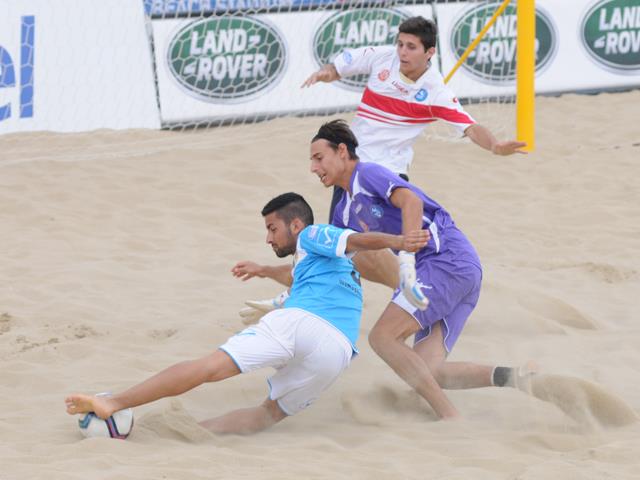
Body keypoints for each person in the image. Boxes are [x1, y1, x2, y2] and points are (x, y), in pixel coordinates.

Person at [65, 192, 429, 434]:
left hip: (299, 323)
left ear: (296, 224)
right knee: (268, 415)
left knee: (209, 367)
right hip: (336, 351)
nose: (269, 238)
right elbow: (301, 274)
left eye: (272, 228)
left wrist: (398, 242)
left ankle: (112, 402)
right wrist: (265, 270)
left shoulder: (312, 233)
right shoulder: (328, 265)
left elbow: (355, 239)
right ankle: (196, 433)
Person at [308, 119, 533, 420]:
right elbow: (330, 261)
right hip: (453, 273)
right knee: (429, 371)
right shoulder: (342, 212)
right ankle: (517, 376)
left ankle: (450, 417)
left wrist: (408, 264)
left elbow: (410, 201)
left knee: (382, 338)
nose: (313, 167)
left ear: (343, 151)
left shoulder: (367, 174)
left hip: (446, 260)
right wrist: (284, 299)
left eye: (319, 157)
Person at [302, 16, 527, 222]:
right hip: (351, 164)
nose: (402, 52)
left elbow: (470, 127)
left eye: (411, 47)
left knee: (381, 244)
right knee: (341, 240)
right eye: (400, 44)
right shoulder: (382, 57)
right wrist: (326, 73)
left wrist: (495, 146)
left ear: (429, 52)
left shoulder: (435, 92)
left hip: (388, 171)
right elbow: (339, 68)